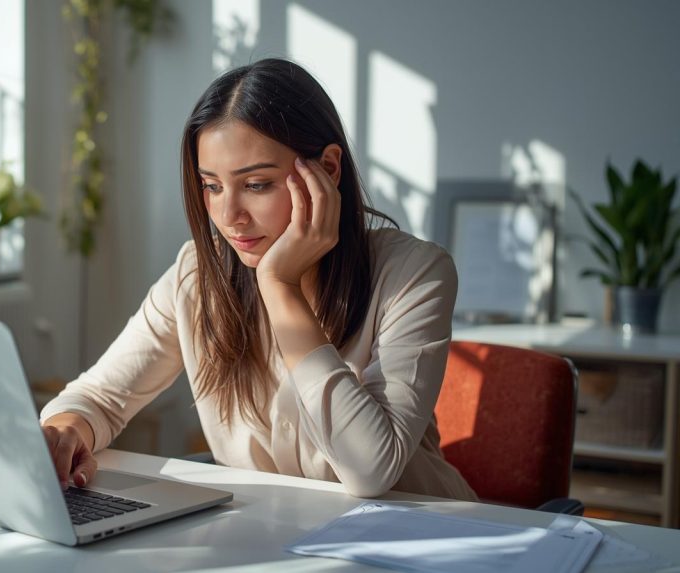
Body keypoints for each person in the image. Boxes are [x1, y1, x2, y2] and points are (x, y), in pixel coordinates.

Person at [39, 58, 477, 501]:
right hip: (270, 536)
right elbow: (99, 396)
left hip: (414, 539)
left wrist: (279, 285)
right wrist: (66, 432)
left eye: (257, 184)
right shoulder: (197, 274)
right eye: (212, 186)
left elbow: (370, 471)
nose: (230, 218)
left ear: (327, 169)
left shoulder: (414, 275)